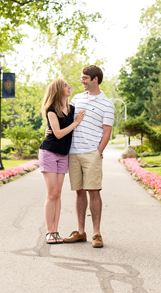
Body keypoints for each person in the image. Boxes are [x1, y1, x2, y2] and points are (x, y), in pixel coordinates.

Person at [57, 65, 114, 249]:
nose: (81, 81)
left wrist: (98, 153)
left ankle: (96, 233)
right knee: (79, 192)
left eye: (85, 78)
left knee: (94, 191)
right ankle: (81, 232)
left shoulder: (107, 104)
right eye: (82, 78)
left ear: (95, 79)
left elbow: (107, 132)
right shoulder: (77, 98)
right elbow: (65, 118)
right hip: (74, 152)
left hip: (92, 153)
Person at [38, 78, 86, 244]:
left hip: (63, 154)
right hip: (49, 152)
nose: (69, 87)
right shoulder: (51, 109)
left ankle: (56, 231)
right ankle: (49, 231)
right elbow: (57, 134)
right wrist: (76, 122)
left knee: (58, 194)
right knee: (51, 194)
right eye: (66, 85)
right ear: (58, 89)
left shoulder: (72, 109)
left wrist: (76, 121)